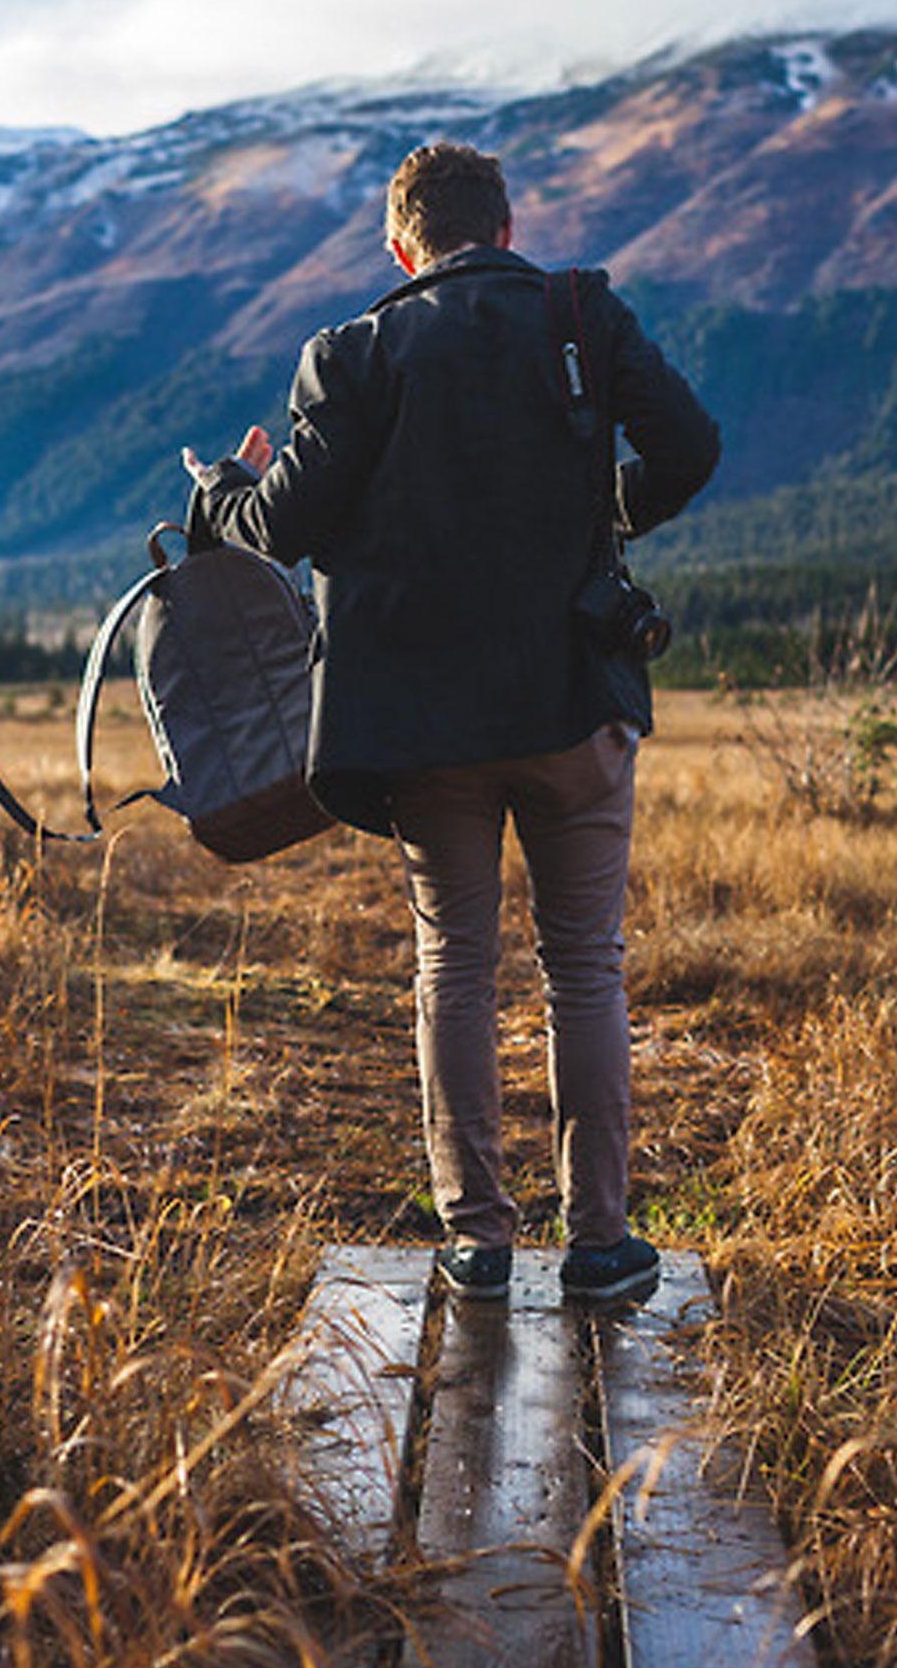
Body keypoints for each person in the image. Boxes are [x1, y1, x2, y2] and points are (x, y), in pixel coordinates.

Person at [183, 141, 719, 1304]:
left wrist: (220, 489)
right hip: (577, 702)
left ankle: (477, 1243)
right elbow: (693, 447)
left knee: (453, 969)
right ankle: (601, 1246)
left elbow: (278, 525)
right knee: (586, 968)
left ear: (399, 246)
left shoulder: (353, 354)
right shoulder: (583, 317)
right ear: (509, 230)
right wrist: (602, 525)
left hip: (423, 729)